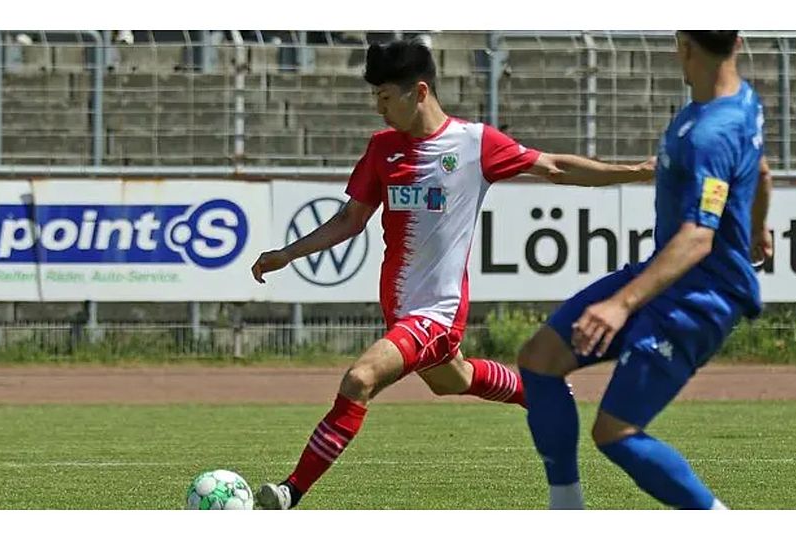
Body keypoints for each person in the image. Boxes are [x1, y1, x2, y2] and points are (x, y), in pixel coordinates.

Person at [249, 38, 656, 510]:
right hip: (400, 313)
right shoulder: (383, 149)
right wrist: (287, 254)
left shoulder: (474, 144)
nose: (378, 108)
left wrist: (635, 170)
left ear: (418, 92)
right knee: (453, 379)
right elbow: (350, 219)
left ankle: (288, 492)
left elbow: (555, 168)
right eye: (374, 98)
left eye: (385, 97)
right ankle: (538, 390)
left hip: (435, 314)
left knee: (360, 379)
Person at [516, 30, 774, 510]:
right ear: (738, 43)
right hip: (664, 280)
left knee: (615, 432)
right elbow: (761, 172)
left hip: (700, 298)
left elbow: (698, 237)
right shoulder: (743, 101)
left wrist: (620, 304)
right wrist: (758, 229)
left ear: (682, 44)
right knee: (539, 359)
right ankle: (566, 510)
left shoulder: (708, 134)